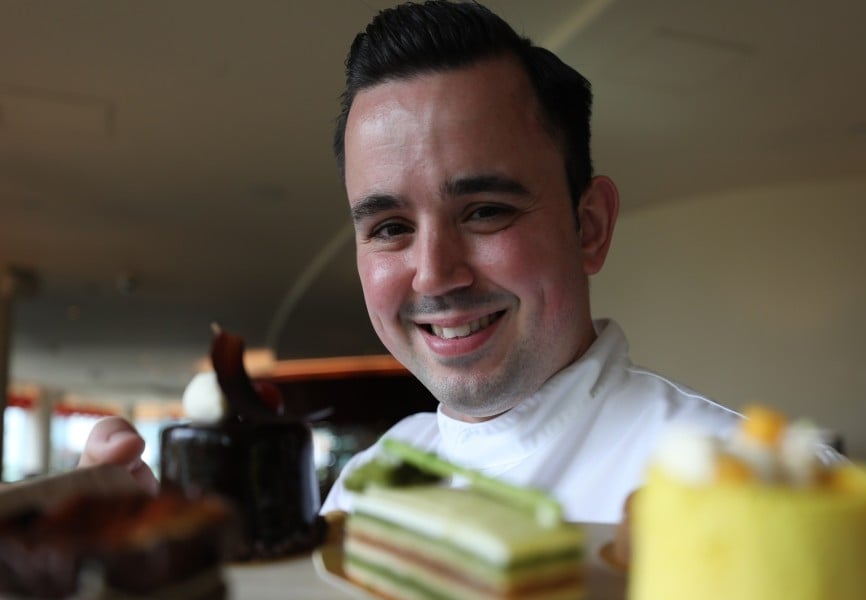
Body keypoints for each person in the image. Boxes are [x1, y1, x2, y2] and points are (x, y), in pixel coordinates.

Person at [81, 0, 741, 523]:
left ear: (589, 227)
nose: (434, 273)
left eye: (485, 210)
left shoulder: (750, 489)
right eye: (391, 226)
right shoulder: (366, 486)